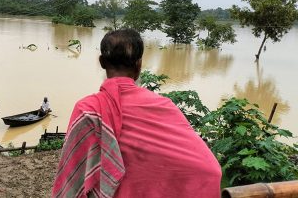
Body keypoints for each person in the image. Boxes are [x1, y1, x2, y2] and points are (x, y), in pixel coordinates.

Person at [52, 29, 221, 198]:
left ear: (102, 62)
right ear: (139, 64)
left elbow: (70, 181)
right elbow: (210, 170)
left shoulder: (87, 110)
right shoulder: (163, 106)